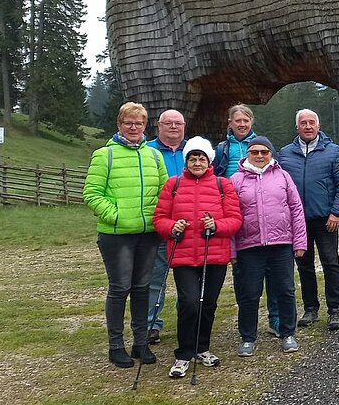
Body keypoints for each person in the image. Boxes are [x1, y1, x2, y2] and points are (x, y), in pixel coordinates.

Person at [83, 102, 168, 368]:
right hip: (117, 235)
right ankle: (116, 346)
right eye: (128, 123)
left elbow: (165, 192)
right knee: (120, 288)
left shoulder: (154, 156)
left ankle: (140, 342)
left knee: (142, 288)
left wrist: (158, 217)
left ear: (145, 126)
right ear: (120, 124)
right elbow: (91, 194)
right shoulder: (104, 155)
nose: (134, 127)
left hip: (148, 233)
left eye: (138, 123)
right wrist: (117, 216)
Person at [153, 136, 241, 378]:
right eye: (192, 158)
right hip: (183, 256)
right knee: (189, 303)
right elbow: (159, 218)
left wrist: (217, 225)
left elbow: (235, 220)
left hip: (214, 255)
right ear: (186, 161)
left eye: (201, 158)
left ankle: (202, 348)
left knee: (208, 304)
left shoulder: (223, 185)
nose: (197, 163)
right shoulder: (173, 184)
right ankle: (184, 353)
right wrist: (172, 227)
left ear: (209, 161)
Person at [230, 136, 308, 354]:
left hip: (281, 244)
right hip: (249, 246)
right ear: (247, 154)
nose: (259, 156)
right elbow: (230, 215)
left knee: (285, 290)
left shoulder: (283, 176)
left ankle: (288, 333)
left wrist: (299, 241)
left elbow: (296, 209)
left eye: (264, 152)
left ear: (271, 154)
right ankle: (248, 337)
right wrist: (231, 249)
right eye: (254, 152)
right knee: (249, 294)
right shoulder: (236, 180)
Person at [211, 104, 283, 338]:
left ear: (251, 122)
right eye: (237, 120)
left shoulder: (262, 146)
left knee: (272, 271)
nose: (242, 124)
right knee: (242, 272)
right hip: (233, 212)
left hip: (262, 210)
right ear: (230, 123)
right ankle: (247, 321)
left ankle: (276, 318)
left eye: (246, 120)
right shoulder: (222, 149)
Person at [278, 109, 339, 331]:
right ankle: (310, 308)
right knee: (304, 266)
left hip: (326, 219)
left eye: (311, 122)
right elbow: (280, 188)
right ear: (297, 127)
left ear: (318, 126)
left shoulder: (333, 151)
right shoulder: (285, 154)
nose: (308, 126)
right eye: (303, 123)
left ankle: (335, 309)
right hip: (298, 221)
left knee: (331, 263)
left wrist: (336, 212)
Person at [146, 109, 187, 345]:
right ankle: (151, 324)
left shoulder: (193, 151)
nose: (173, 127)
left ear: (184, 126)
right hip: (161, 223)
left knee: (189, 278)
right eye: (168, 123)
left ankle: (187, 320)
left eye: (178, 123)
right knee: (155, 278)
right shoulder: (148, 150)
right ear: (159, 126)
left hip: (188, 226)